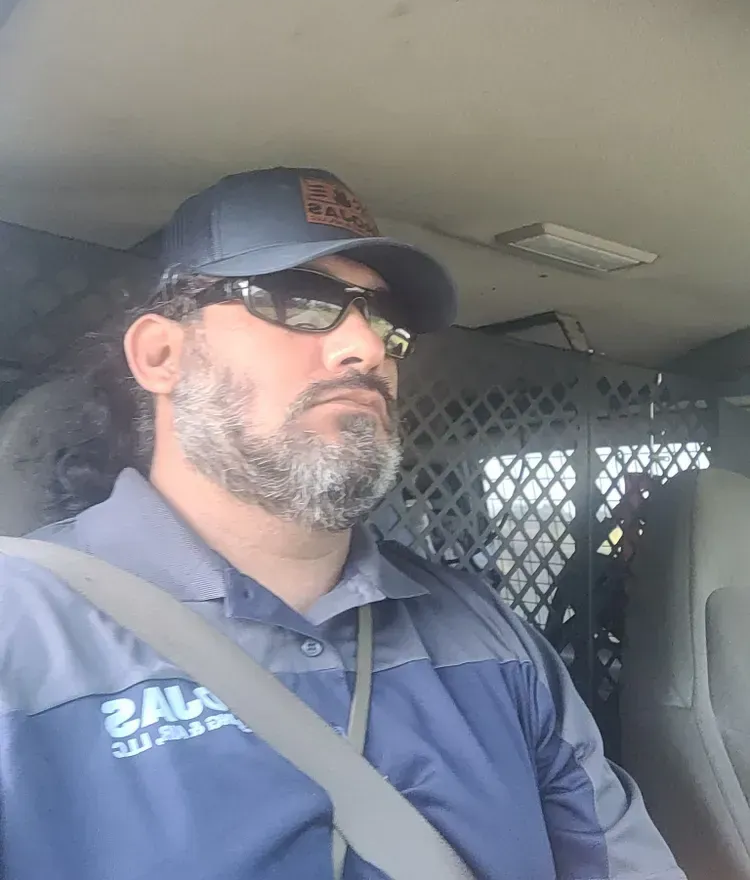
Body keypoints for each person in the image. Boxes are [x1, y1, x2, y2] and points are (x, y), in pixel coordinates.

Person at [0, 167, 685, 880]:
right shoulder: (22, 631)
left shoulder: (489, 635)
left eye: (384, 322)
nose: (366, 347)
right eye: (299, 302)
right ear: (162, 355)